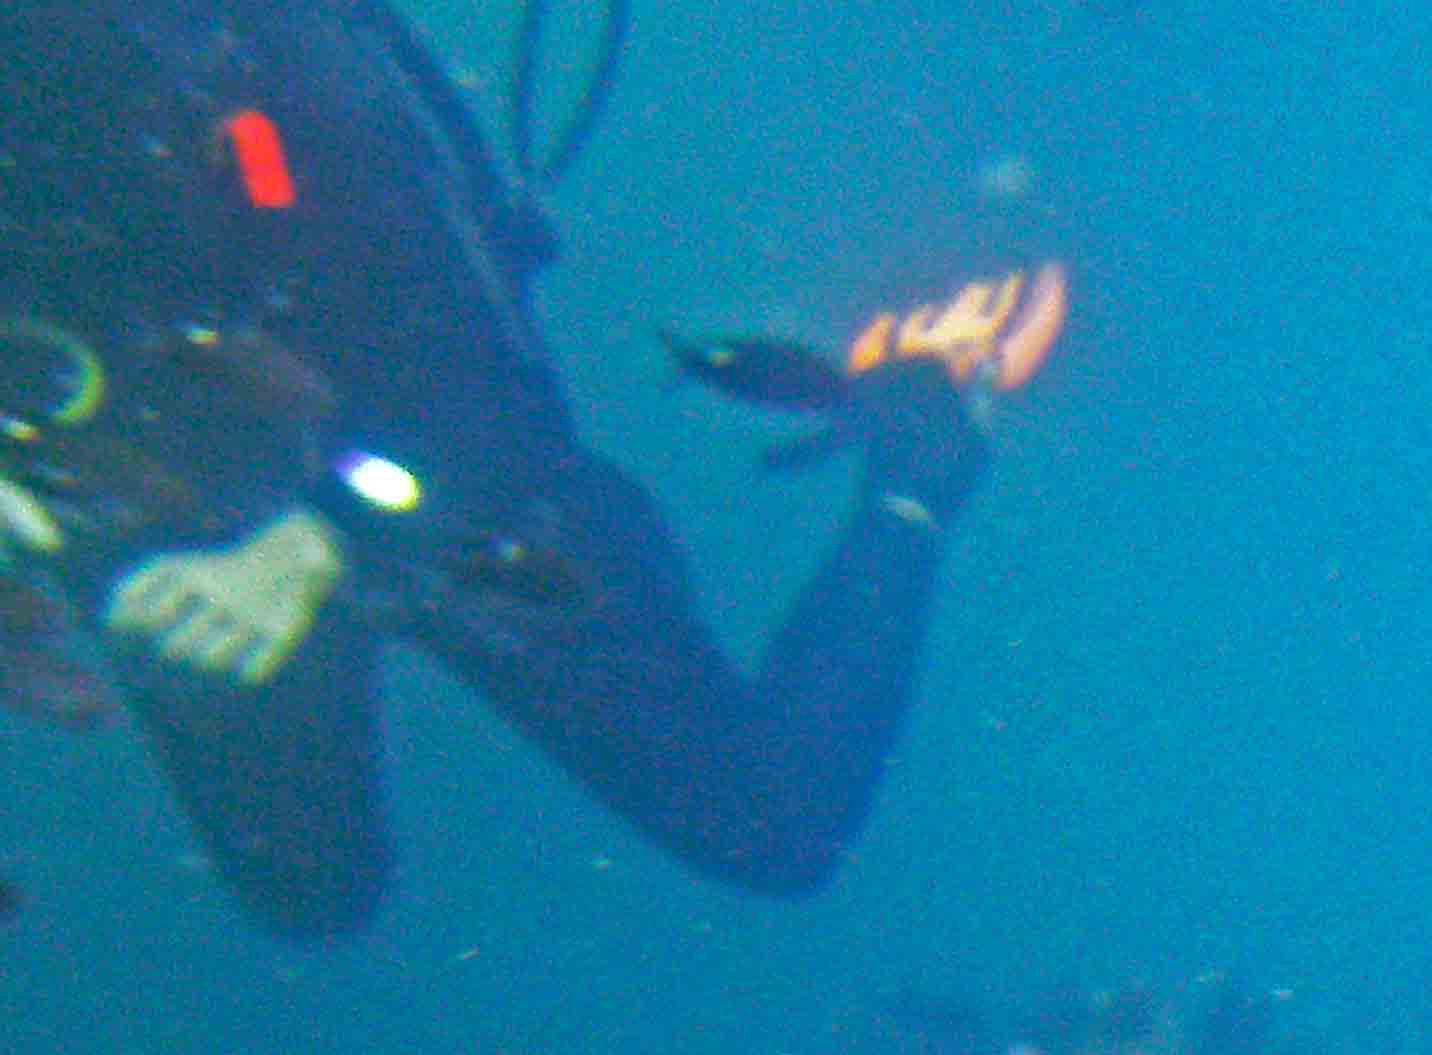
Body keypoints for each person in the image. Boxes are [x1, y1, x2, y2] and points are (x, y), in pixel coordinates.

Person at [0, 0, 1057, 935]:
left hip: (421, 469)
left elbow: (476, 386)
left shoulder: (233, 71)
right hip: (151, 485)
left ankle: (919, 458)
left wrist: (315, 540)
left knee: (767, 823)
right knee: (308, 892)